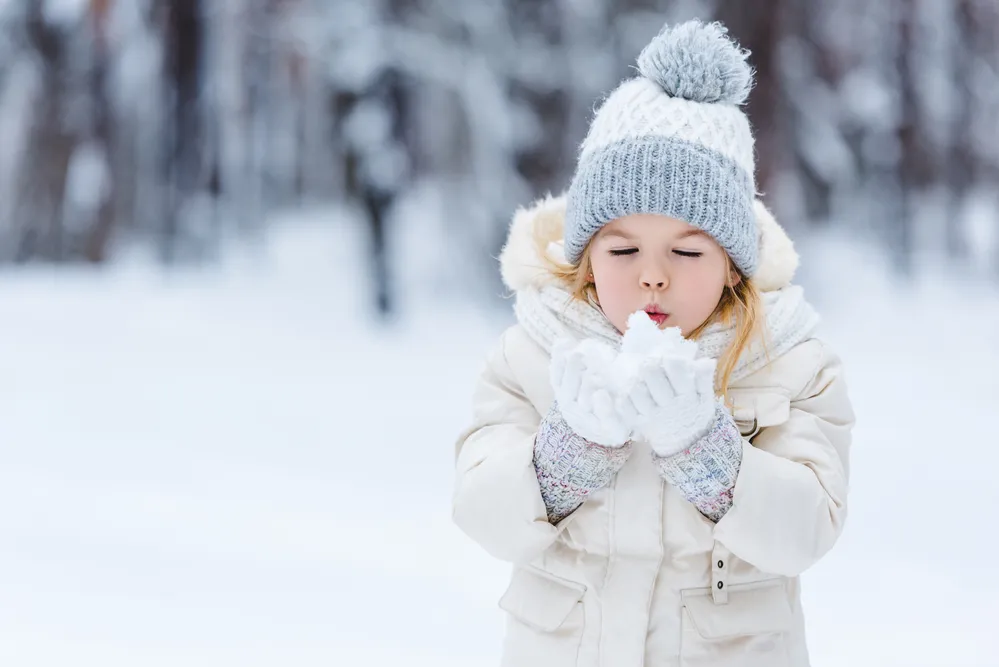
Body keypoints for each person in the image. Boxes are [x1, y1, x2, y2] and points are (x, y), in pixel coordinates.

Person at [452, 19, 855, 667]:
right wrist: (567, 452)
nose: (652, 273)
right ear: (584, 258)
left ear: (732, 262)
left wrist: (706, 448)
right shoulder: (532, 353)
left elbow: (807, 528)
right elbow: (480, 511)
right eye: (622, 248)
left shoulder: (790, 362)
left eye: (687, 250)